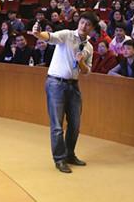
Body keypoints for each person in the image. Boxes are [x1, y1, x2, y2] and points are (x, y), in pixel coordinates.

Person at [31, 11, 98, 173]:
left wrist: (80, 62)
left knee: (75, 125)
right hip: (56, 83)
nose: (84, 26)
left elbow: (86, 71)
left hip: (74, 85)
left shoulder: (89, 47)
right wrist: (38, 34)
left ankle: (69, 154)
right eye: (82, 22)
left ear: (92, 29)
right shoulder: (67, 35)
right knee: (57, 125)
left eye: (88, 24)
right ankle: (59, 159)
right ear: (78, 23)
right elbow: (51, 37)